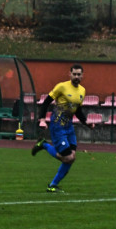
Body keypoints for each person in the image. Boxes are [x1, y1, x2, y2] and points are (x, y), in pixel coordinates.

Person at [31, 63, 95, 192]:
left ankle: (53, 185)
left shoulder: (82, 90)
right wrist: (42, 120)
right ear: (69, 74)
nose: (76, 76)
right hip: (57, 126)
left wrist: (86, 122)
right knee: (67, 157)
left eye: (79, 74)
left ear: (82, 76)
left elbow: (77, 110)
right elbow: (46, 102)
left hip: (69, 127)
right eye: (74, 74)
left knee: (72, 157)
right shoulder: (61, 86)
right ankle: (44, 145)